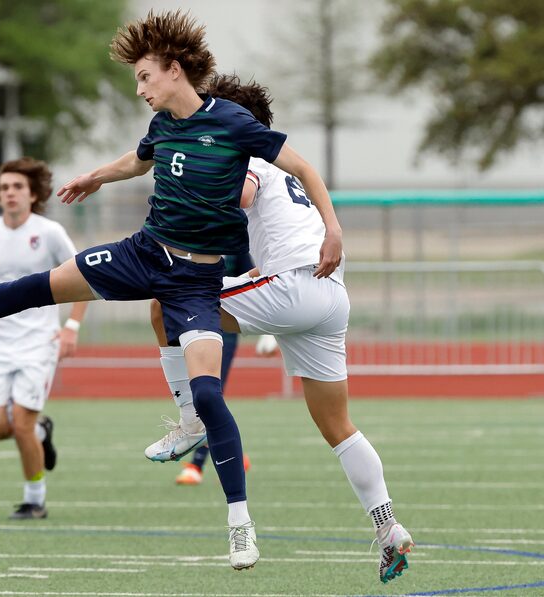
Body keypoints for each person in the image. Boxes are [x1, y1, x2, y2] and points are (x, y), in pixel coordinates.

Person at [0, 10, 342, 571]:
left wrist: (332, 228)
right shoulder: (162, 125)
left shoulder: (235, 123)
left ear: (174, 69)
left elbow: (305, 167)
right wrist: (94, 176)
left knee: (212, 394)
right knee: (34, 288)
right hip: (142, 253)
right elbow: (136, 162)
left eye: (144, 76)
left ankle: (239, 521)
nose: (139, 88)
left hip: (195, 282)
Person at [147, 74, 414, 584]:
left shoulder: (243, 156)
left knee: (165, 301)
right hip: (329, 295)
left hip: (293, 287)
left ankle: (190, 422)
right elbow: (279, 233)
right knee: (338, 427)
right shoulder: (282, 165)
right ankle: (388, 527)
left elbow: (241, 198)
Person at [0, 157, 87, 520]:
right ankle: (40, 430)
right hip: (0, 344)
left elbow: (85, 280)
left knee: (20, 422)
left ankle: (34, 498)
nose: (9, 193)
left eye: (17, 186)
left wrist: (71, 328)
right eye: (4, 187)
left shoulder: (49, 232)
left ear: (32, 193)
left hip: (40, 342)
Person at [149, 252, 255, 486]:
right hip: (190, 324)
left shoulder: (235, 240)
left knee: (208, 395)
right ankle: (237, 453)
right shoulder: (187, 235)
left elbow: (255, 277)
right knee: (197, 394)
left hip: (223, 330)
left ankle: (196, 465)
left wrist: (269, 332)